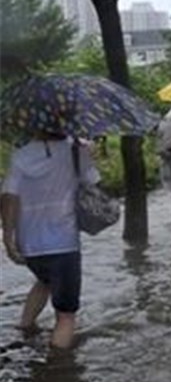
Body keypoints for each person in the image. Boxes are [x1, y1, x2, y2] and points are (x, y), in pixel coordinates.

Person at [1, 132, 101, 349]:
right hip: (63, 243)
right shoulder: (77, 149)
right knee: (66, 316)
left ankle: (25, 329)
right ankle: (56, 371)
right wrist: (90, 155)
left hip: (30, 244)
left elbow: (8, 197)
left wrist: (8, 238)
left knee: (45, 280)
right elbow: (93, 182)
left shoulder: (21, 155)